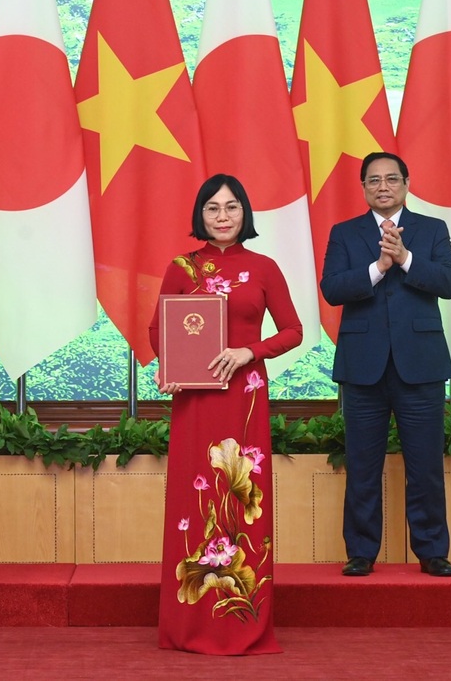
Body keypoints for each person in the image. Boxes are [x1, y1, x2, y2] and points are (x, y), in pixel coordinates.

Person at [149, 174, 302, 655]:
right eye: (212, 208)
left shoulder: (264, 267)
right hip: (195, 401)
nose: (222, 216)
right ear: (200, 216)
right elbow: (159, 329)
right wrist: (169, 368)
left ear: (245, 214)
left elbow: (293, 331)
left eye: (231, 207)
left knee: (239, 499)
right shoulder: (182, 267)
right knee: (193, 505)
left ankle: (242, 621)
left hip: (244, 400)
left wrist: (248, 352)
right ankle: (188, 624)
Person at [319, 151, 451, 578]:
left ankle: (433, 551)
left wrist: (405, 259)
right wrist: (379, 268)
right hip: (364, 368)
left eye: (391, 179)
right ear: (363, 187)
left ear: (406, 183)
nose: (383, 186)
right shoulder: (344, 234)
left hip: (421, 366)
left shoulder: (432, 230)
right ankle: (361, 551)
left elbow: (449, 283)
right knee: (362, 466)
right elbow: (332, 288)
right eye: (374, 180)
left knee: (425, 466)